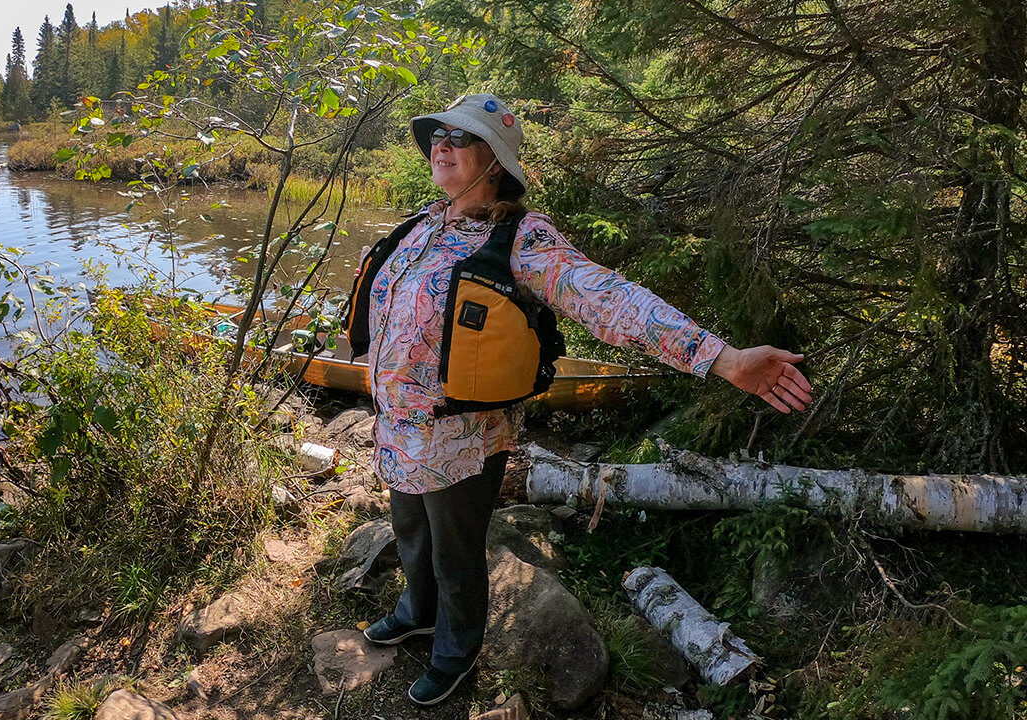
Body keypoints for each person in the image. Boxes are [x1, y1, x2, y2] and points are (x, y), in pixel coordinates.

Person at [344, 93, 813, 707]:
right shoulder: (426, 223)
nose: (442, 146)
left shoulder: (523, 240)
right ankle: (418, 610)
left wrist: (720, 358)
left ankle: (455, 650)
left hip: (460, 437)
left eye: (460, 139)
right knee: (410, 530)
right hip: (397, 429)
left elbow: (609, 299)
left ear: (495, 162)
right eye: (439, 136)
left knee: (456, 553)